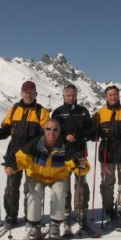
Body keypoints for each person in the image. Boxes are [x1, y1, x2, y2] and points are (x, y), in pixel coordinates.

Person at [3, 119, 89, 240]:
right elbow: (21, 159)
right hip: (37, 176)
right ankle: (34, 225)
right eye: (48, 129)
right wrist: (11, 167)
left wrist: (82, 166)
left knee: (59, 192)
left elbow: (77, 164)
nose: (51, 132)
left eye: (55, 129)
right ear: (44, 130)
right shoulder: (35, 144)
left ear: (59, 131)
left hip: (57, 177)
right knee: (34, 192)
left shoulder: (65, 146)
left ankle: (55, 224)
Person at [0, 81, 50, 228]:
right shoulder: (14, 109)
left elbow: (46, 134)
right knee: (11, 187)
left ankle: (30, 217)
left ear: (36, 94)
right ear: (21, 93)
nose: (28, 95)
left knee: (31, 188)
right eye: (25, 92)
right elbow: (6, 128)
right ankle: (11, 216)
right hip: (14, 154)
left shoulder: (41, 111)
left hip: (32, 155)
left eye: (31, 92)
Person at [90, 85, 121, 227]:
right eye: (110, 95)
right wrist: (94, 131)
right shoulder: (100, 113)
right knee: (107, 182)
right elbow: (91, 128)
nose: (113, 97)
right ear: (106, 97)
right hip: (107, 151)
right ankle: (108, 208)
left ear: (118, 96)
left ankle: (120, 207)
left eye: (115, 95)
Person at [51, 84, 92, 232]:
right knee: (64, 186)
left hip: (79, 153)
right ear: (63, 96)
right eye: (68, 95)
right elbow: (52, 132)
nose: (71, 97)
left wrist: (81, 136)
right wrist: (64, 137)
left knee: (81, 184)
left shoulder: (83, 111)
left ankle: (81, 212)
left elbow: (90, 129)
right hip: (62, 154)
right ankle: (66, 212)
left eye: (73, 95)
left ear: (76, 96)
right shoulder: (57, 112)